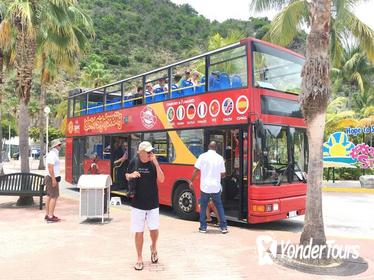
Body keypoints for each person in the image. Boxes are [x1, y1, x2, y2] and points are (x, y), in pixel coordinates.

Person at [125, 141, 165, 271]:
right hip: (138, 203)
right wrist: (131, 175)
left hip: (153, 203)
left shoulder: (153, 163)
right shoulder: (134, 161)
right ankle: (139, 258)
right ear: (140, 152)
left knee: (154, 230)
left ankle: (153, 247)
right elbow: (126, 175)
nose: (150, 154)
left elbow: (162, 179)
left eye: (151, 151)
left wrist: (157, 164)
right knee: (139, 231)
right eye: (148, 152)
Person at [190, 141, 228, 234]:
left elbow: (196, 170)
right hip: (215, 187)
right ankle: (223, 227)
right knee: (219, 206)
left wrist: (191, 181)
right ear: (216, 148)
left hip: (205, 187)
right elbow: (223, 174)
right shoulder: (220, 158)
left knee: (203, 207)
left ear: (208, 147)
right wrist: (221, 175)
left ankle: (203, 228)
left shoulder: (202, 156)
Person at [44, 139, 63, 223]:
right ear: (55, 146)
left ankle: (48, 214)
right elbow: (50, 167)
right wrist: (53, 179)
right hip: (52, 177)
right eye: (59, 145)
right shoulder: (52, 155)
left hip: (51, 177)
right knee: (54, 196)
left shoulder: (53, 154)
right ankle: (50, 216)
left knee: (49, 196)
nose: (60, 146)